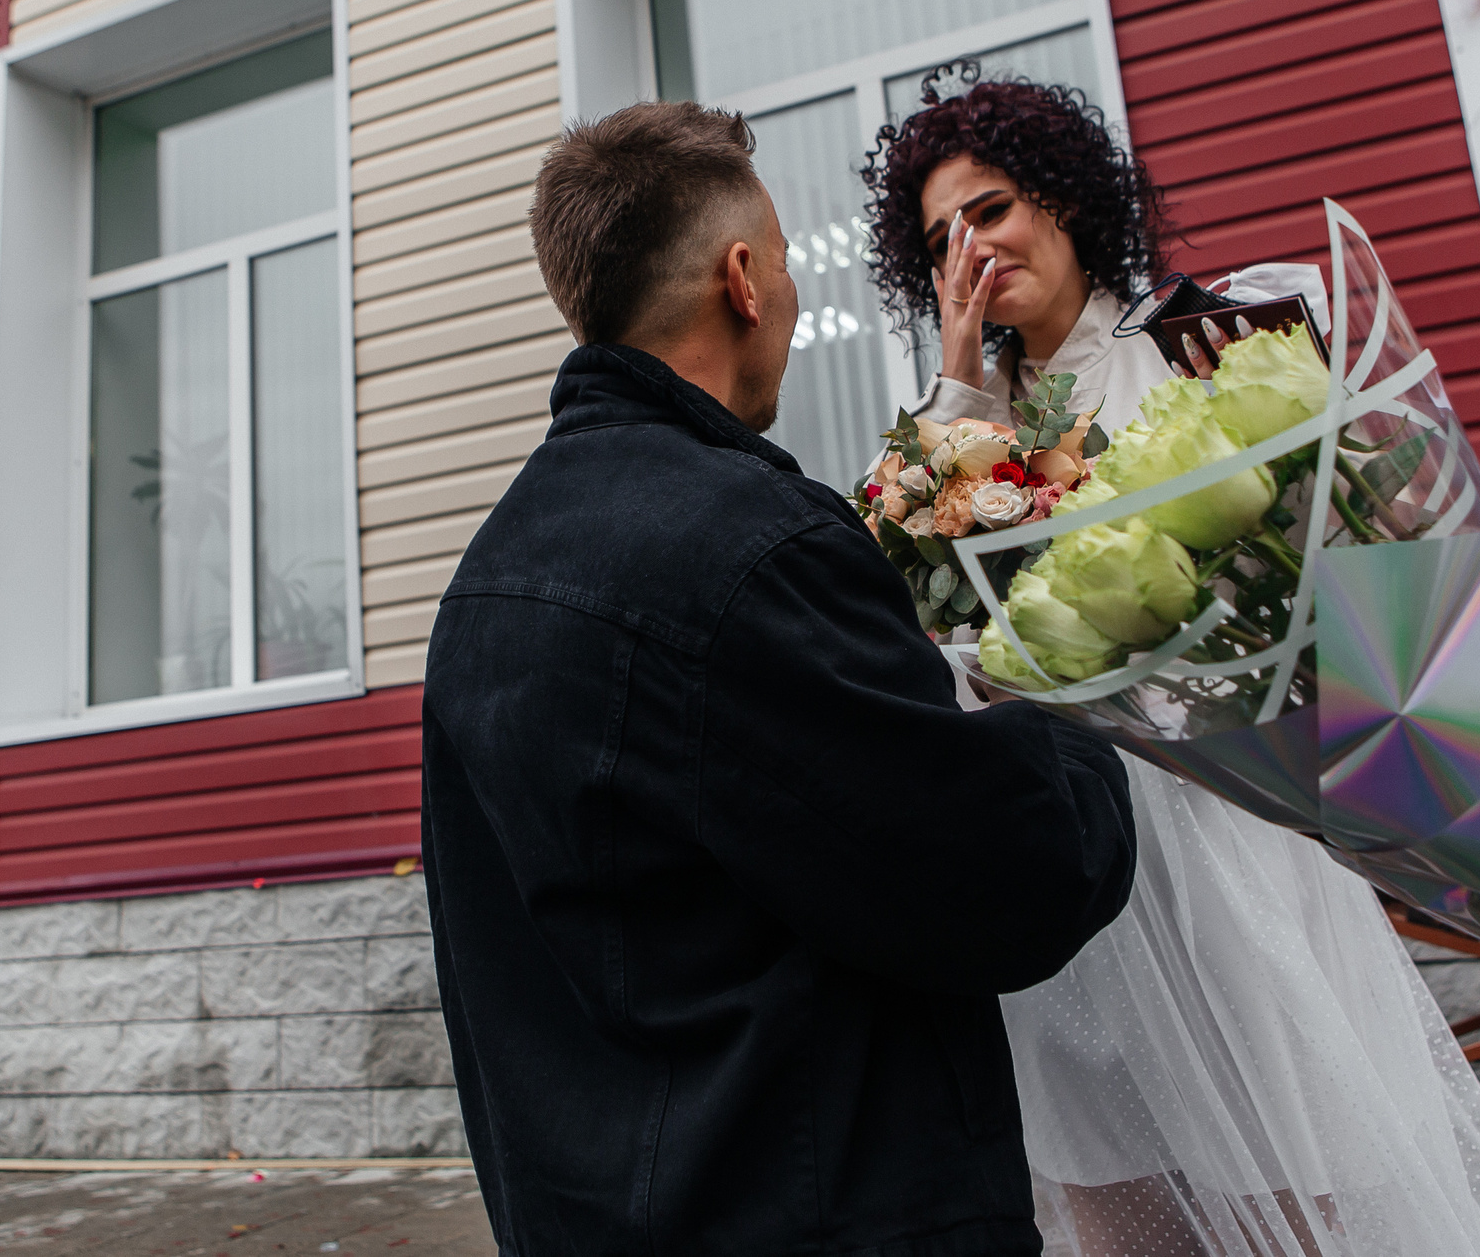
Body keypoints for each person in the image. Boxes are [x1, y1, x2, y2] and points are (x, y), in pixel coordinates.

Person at [421, 100, 1140, 1255]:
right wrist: (1068, 729)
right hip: (819, 1210)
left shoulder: (483, 585)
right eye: (793, 268)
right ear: (744, 280)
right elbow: (1009, 875)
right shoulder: (750, 548)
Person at [861, 77, 1480, 1257]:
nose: (970, 250)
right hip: (1071, 853)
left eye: (990, 210)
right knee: (1113, 1185)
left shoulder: (1209, 342)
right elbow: (919, 603)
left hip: (1232, 830)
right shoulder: (959, 427)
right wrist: (961, 386)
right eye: (939, 241)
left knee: (1289, 1171)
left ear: (1065, 197)